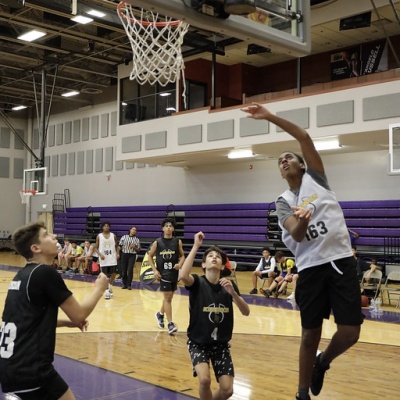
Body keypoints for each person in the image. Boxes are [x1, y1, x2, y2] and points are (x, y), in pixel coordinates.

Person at [242, 103, 363, 400]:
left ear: (302, 164)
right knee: (309, 335)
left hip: (340, 260)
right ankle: (301, 393)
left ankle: (323, 362)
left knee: (350, 332)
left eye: (289, 157)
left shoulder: (317, 178)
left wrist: (269, 117)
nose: (284, 161)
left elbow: (304, 137)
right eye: (279, 161)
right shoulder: (282, 201)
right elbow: (295, 233)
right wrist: (303, 220)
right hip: (310, 267)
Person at [0, 221, 108, 399]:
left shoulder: (22, 275)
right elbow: (79, 314)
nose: (54, 236)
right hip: (31, 369)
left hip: (11, 366)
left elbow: (26, 321)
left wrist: (67, 323)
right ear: (36, 248)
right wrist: (99, 289)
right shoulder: (45, 273)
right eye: (46, 235)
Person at [179, 231, 250, 400]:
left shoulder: (229, 285)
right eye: (210, 256)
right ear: (203, 264)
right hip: (198, 342)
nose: (214, 258)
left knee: (227, 390)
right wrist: (196, 246)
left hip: (220, 344)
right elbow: (183, 276)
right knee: (204, 380)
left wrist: (233, 293)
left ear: (222, 266)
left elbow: (246, 311)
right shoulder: (197, 282)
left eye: (218, 257)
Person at [148, 218, 185, 334]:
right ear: (162, 228)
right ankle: (170, 324)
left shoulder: (177, 242)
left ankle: (160, 314)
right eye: (166, 226)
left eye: (170, 226)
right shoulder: (157, 242)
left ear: (173, 228)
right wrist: (154, 270)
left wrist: (180, 264)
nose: (168, 228)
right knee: (168, 298)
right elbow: (149, 256)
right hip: (163, 274)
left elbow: (182, 256)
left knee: (169, 298)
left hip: (174, 273)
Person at [95, 222, 119, 300]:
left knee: (114, 273)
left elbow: (117, 246)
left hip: (112, 257)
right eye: (105, 226)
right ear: (102, 227)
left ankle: (110, 286)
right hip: (104, 258)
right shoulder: (99, 236)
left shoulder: (113, 235)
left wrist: (117, 253)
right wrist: (100, 255)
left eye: (108, 226)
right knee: (104, 276)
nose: (106, 227)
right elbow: (95, 248)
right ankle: (107, 292)